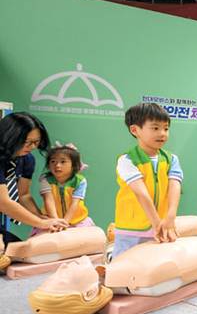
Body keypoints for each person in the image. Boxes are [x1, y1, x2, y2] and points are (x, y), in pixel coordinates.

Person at [112, 103, 183, 260]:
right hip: (132, 229)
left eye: (166, 128)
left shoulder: (171, 159)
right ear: (135, 130)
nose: (162, 133)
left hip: (162, 225)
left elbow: (175, 186)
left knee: (155, 265)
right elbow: (141, 193)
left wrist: (170, 217)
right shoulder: (127, 160)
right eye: (155, 128)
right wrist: (157, 224)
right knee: (123, 265)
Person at [0, 112, 68, 245]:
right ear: (9, 137)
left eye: (36, 142)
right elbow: (3, 202)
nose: (32, 147)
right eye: (27, 142)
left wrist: (41, 218)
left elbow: (24, 195)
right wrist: (41, 223)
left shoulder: (27, 159)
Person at [32, 144, 95, 236]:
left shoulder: (80, 181)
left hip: (77, 220)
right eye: (53, 161)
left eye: (63, 161)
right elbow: (48, 200)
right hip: (51, 219)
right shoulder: (45, 179)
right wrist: (55, 221)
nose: (57, 165)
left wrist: (65, 222)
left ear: (73, 165)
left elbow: (74, 204)